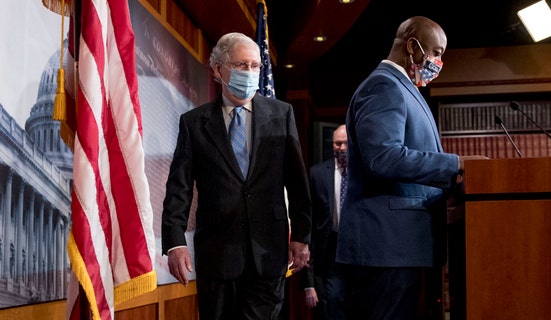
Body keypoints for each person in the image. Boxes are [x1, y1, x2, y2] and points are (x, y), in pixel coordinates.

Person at [335, 16, 486, 319]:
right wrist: (456, 163)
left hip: (402, 246)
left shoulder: (403, 88)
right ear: (413, 46)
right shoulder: (382, 86)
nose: (438, 61)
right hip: (387, 248)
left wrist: (452, 182)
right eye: (437, 52)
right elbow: (384, 157)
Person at [161, 32, 312, 320]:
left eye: (256, 66)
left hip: (268, 253)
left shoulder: (282, 114)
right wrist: (175, 242)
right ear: (219, 69)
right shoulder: (194, 123)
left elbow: (297, 183)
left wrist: (302, 236)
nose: (251, 73)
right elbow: (178, 188)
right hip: (216, 255)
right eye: (242, 65)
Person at [300, 124, 348, 320]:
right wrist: (308, 281)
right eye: (338, 143)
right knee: (333, 301)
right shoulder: (317, 174)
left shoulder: (364, 175)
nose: (342, 148)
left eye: (346, 143)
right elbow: (308, 222)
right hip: (329, 252)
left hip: (359, 252)